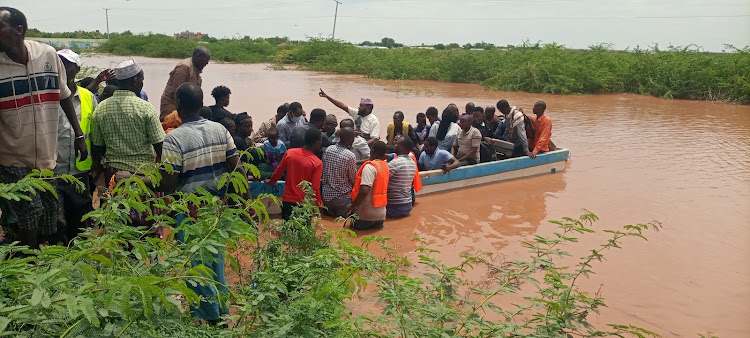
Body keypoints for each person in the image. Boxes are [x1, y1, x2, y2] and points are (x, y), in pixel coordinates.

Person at [158, 82, 248, 324]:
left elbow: (168, 182)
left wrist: (141, 180)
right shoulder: (221, 130)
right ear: (201, 104)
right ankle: (221, 310)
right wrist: (245, 206)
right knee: (215, 259)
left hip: (190, 211)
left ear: (177, 106)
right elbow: (237, 169)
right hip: (217, 209)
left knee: (196, 264)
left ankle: (210, 318)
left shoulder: (173, 139)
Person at [0, 7, 88, 248]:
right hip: (12, 156)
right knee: (30, 208)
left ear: (18, 30)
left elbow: (64, 95)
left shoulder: (47, 56)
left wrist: (79, 135)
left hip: (48, 155)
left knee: (50, 211)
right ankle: (31, 260)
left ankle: (49, 256)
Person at [90, 59, 165, 183]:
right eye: (142, 80)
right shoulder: (146, 108)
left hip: (114, 175)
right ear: (134, 81)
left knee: (115, 203)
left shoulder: (100, 108)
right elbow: (160, 145)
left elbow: (99, 147)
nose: (142, 84)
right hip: (143, 175)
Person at [55, 49, 98, 243]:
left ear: (77, 70)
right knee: (57, 226)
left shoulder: (89, 97)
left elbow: (97, 132)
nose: (62, 69)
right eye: (59, 64)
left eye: (66, 65)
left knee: (80, 224)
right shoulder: (47, 97)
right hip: (54, 170)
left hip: (80, 172)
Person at [267, 128, 324, 221]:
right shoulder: (317, 163)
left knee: (287, 231)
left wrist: (270, 182)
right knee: (303, 233)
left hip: (287, 200)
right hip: (304, 203)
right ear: (317, 142)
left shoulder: (290, 153)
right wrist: (318, 204)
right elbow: (315, 187)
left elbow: (279, 171)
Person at [159, 46, 210, 120]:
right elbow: (176, 92)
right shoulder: (184, 67)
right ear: (197, 56)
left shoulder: (196, 69)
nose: (206, 63)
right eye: (205, 60)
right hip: (172, 105)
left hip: (185, 108)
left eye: (208, 61)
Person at [347, 141, 389, 230]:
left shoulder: (369, 167)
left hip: (365, 216)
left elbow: (364, 190)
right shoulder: (385, 167)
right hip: (381, 216)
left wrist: (352, 206)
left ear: (372, 151)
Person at [321, 127, 357, 218]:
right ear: (348, 138)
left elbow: (323, 169)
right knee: (343, 224)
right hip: (342, 198)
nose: (353, 140)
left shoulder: (328, 149)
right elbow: (353, 179)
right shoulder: (350, 156)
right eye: (353, 138)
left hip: (326, 197)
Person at [386, 137, 418, 218]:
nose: (395, 145)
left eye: (397, 144)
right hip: (408, 205)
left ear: (403, 148)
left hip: (394, 206)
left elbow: (381, 180)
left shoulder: (395, 163)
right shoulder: (412, 162)